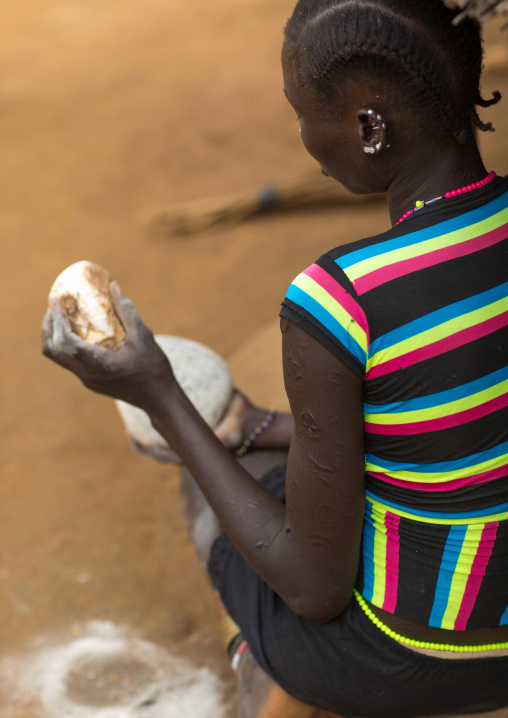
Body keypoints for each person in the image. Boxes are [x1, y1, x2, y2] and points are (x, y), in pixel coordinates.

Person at [42, 1, 508, 716]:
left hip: (419, 657)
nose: (301, 137)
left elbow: (312, 585)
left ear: (368, 127)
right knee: (255, 454)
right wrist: (261, 424)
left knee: (214, 491)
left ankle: (268, 682)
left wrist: (157, 393)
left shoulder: (343, 297)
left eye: (301, 112)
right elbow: (463, 415)